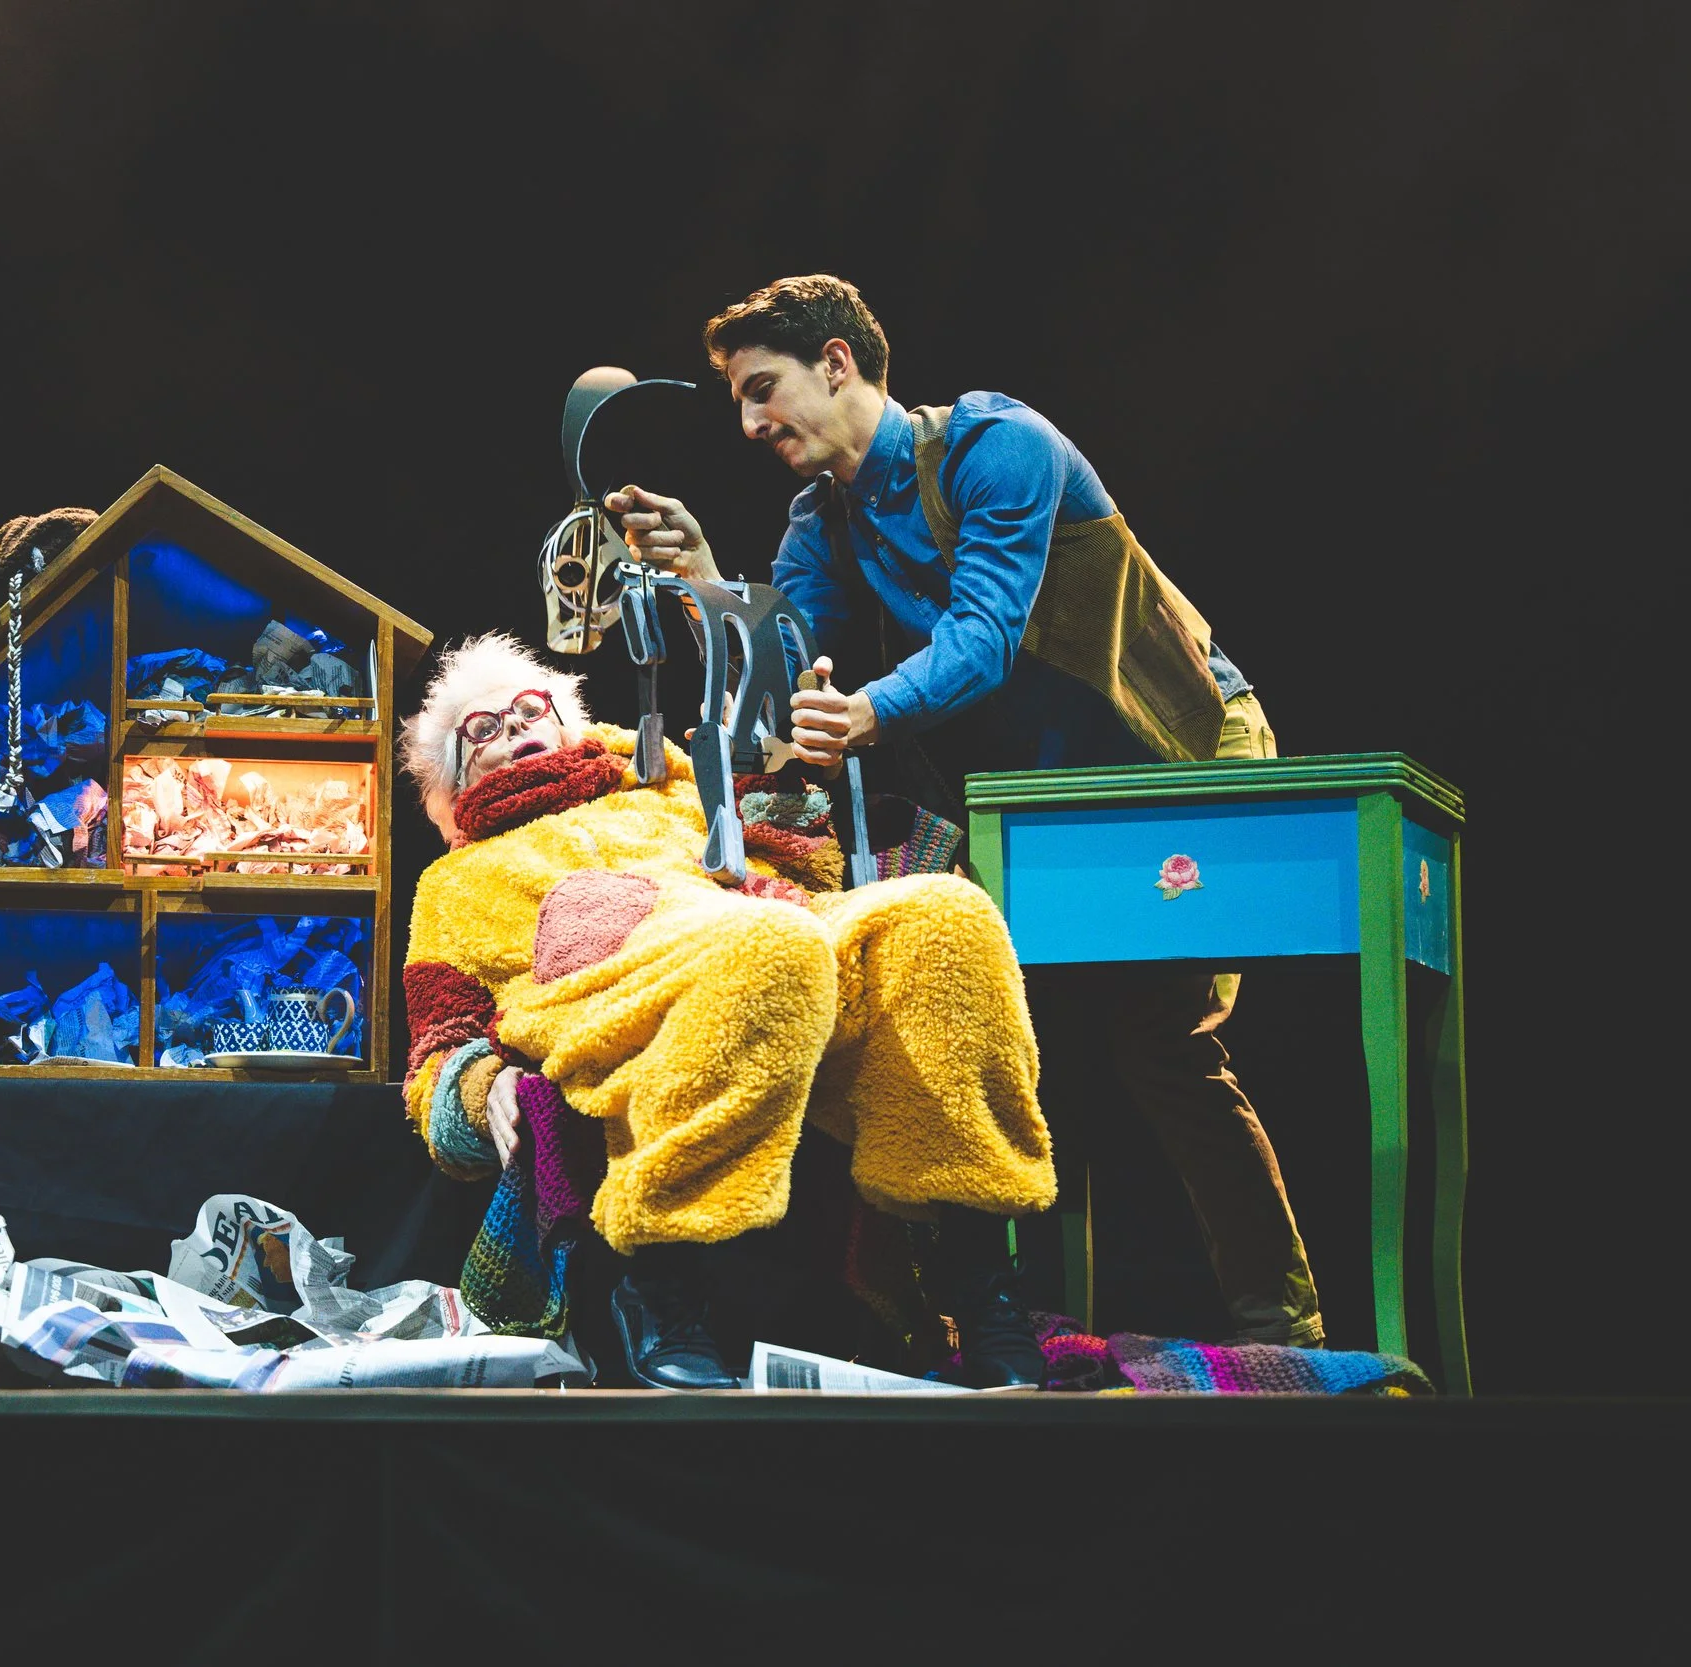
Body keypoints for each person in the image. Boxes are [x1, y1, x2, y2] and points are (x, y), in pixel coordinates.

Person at [604, 272, 1321, 1347]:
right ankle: (1008, 1321)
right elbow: (783, 683)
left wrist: (867, 713)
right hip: (1030, 794)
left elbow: (983, 637)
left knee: (1166, 1039)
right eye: (740, 402)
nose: (749, 424)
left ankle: (1285, 1323)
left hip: (1171, 741)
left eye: (762, 390)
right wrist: (705, 579)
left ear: (836, 363)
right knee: (994, 1029)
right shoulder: (821, 519)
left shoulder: (997, 446)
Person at [397, 630, 1055, 1389]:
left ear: (566, 720)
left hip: (776, 941)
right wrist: (479, 1085)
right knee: (765, 942)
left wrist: (793, 769)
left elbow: (810, 867)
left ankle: (976, 1281)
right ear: (455, 774)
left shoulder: (672, 785)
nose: (513, 726)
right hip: (613, 984)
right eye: (482, 727)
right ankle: (662, 1288)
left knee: (944, 917)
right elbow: (437, 1044)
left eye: (528, 707)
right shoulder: (455, 883)